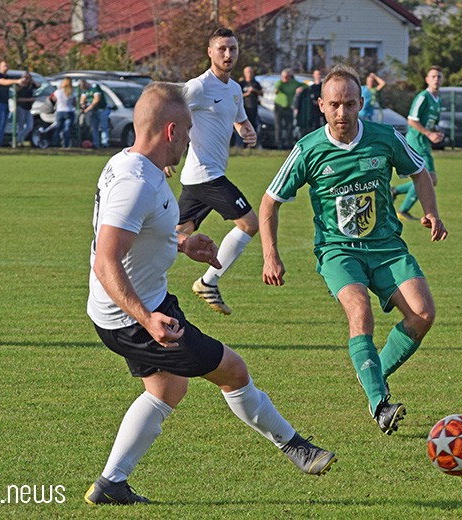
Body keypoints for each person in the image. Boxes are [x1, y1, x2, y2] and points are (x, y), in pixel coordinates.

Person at [84, 81, 336, 506]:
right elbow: (106, 261)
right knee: (234, 371)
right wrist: (147, 320)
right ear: (170, 131)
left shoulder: (129, 165)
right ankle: (296, 447)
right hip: (136, 314)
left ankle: (111, 484)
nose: (189, 139)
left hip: (127, 308)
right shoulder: (136, 183)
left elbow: (138, 235)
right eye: (187, 130)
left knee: (167, 390)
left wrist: (183, 245)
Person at [259, 65, 448, 435]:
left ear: (361, 103)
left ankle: (370, 371)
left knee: (423, 315)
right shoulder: (308, 150)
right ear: (321, 105)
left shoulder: (385, 138)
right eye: (334, 105)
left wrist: (430, 212)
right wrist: (270, 254)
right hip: (338, 251)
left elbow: (419, 172)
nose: (342, 112)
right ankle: (379, 403)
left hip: (387, 248)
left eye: (349, 104)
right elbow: (269, 202)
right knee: (359, 311)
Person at [177, 27, 259, 316]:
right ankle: (208, 282)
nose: (228, 54)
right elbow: (168, 112)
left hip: (198, 178)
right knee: (250, 224)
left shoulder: (235, 89)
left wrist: (248, 132)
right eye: (222, 49)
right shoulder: (198, 87)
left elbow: (240, 121)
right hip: (206, 175)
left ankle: (133, 261)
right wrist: (163, 155)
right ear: (210, 52)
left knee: (177, 234)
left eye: (233, 49)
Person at [396, 66, 443, 221]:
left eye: (439, 76)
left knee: (431, 179)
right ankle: (403, 210)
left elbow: (430, 122)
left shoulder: (438, 100)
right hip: (415, 142)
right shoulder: (423, 97)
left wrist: (436, 131)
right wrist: (429, 134)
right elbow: (412, 120)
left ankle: (394, 191)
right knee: (428, 178)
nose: (436, 79)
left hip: (423, 143)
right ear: (427, 79)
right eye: (433, 76)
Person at [0, 60, 21, 147]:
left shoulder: (8, 76)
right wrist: (16, 81)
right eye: (4, 66)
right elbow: (3, 82)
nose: (5, 67)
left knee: (4, 123)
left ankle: (0, 140)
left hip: (6, 102)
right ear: (0, 67)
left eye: (7, 66)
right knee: (0, 122)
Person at [273, 69, 302, 149]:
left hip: (288, 107)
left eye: (286, 77)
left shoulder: (293, 82)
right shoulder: (280, 82)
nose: (285, 79)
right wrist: (277, 90)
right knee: (278, 125)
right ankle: (278, 144)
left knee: (289, 126)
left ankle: (288, 143)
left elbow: (304, 85)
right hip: (279, 106)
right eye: (283, 77)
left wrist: (300, 88)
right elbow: (276, 90)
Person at [80, 79, 109, 148]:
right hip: (93, 111)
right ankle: (95, 143)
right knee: (94, 127)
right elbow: (82, 99)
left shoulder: (94, 86)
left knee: (103, 127)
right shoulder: (85, 90)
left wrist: (88, 108)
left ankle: (104, 143)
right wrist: (82, 106)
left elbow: (97, 99)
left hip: (101, 110)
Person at [14, 72, 40, 146]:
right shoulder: (19, 86)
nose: (25, 79)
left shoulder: (31, 86)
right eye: (24, 77)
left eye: (27, 78)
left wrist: (32, 80)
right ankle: (20, 142)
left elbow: (39, 85)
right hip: (21, 107)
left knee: (29, 126)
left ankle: (17, 139)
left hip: (28, 108)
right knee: (21, 126)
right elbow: (17, 99)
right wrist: (29, 100)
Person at [50, 78, 75, 148]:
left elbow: (54, 99)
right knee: (67, 129)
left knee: (58, 128)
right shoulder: (71, 92)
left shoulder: (58, 92)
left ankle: (54, 143)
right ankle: (66, 144)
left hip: (60, 111)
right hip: (69, 111)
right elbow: (74, 103)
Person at [239, 66, 263, 135]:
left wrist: (255, 90)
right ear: (244, 73)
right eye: (248, 72)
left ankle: (251, 141)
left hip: (253, 106)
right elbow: (237, 95)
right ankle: (241, 142)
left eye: (251, 72)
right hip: (243, 107)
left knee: (252, 124)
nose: (249, 74)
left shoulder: (255, 83)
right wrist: (247, 93)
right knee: (242, 123)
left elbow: (261, 93)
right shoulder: (242, 83)